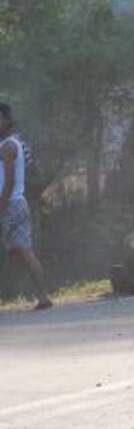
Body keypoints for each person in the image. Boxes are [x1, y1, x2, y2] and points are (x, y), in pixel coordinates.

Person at [0, 104, 51, 310]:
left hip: (9, 204)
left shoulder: (8, 146)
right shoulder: (10, 143)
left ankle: (43, 296)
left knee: (23, 251)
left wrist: (2, 206)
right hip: (15, 203)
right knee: (22, 251)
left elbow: (9, 181)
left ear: (7, 120)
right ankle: (43, 297)